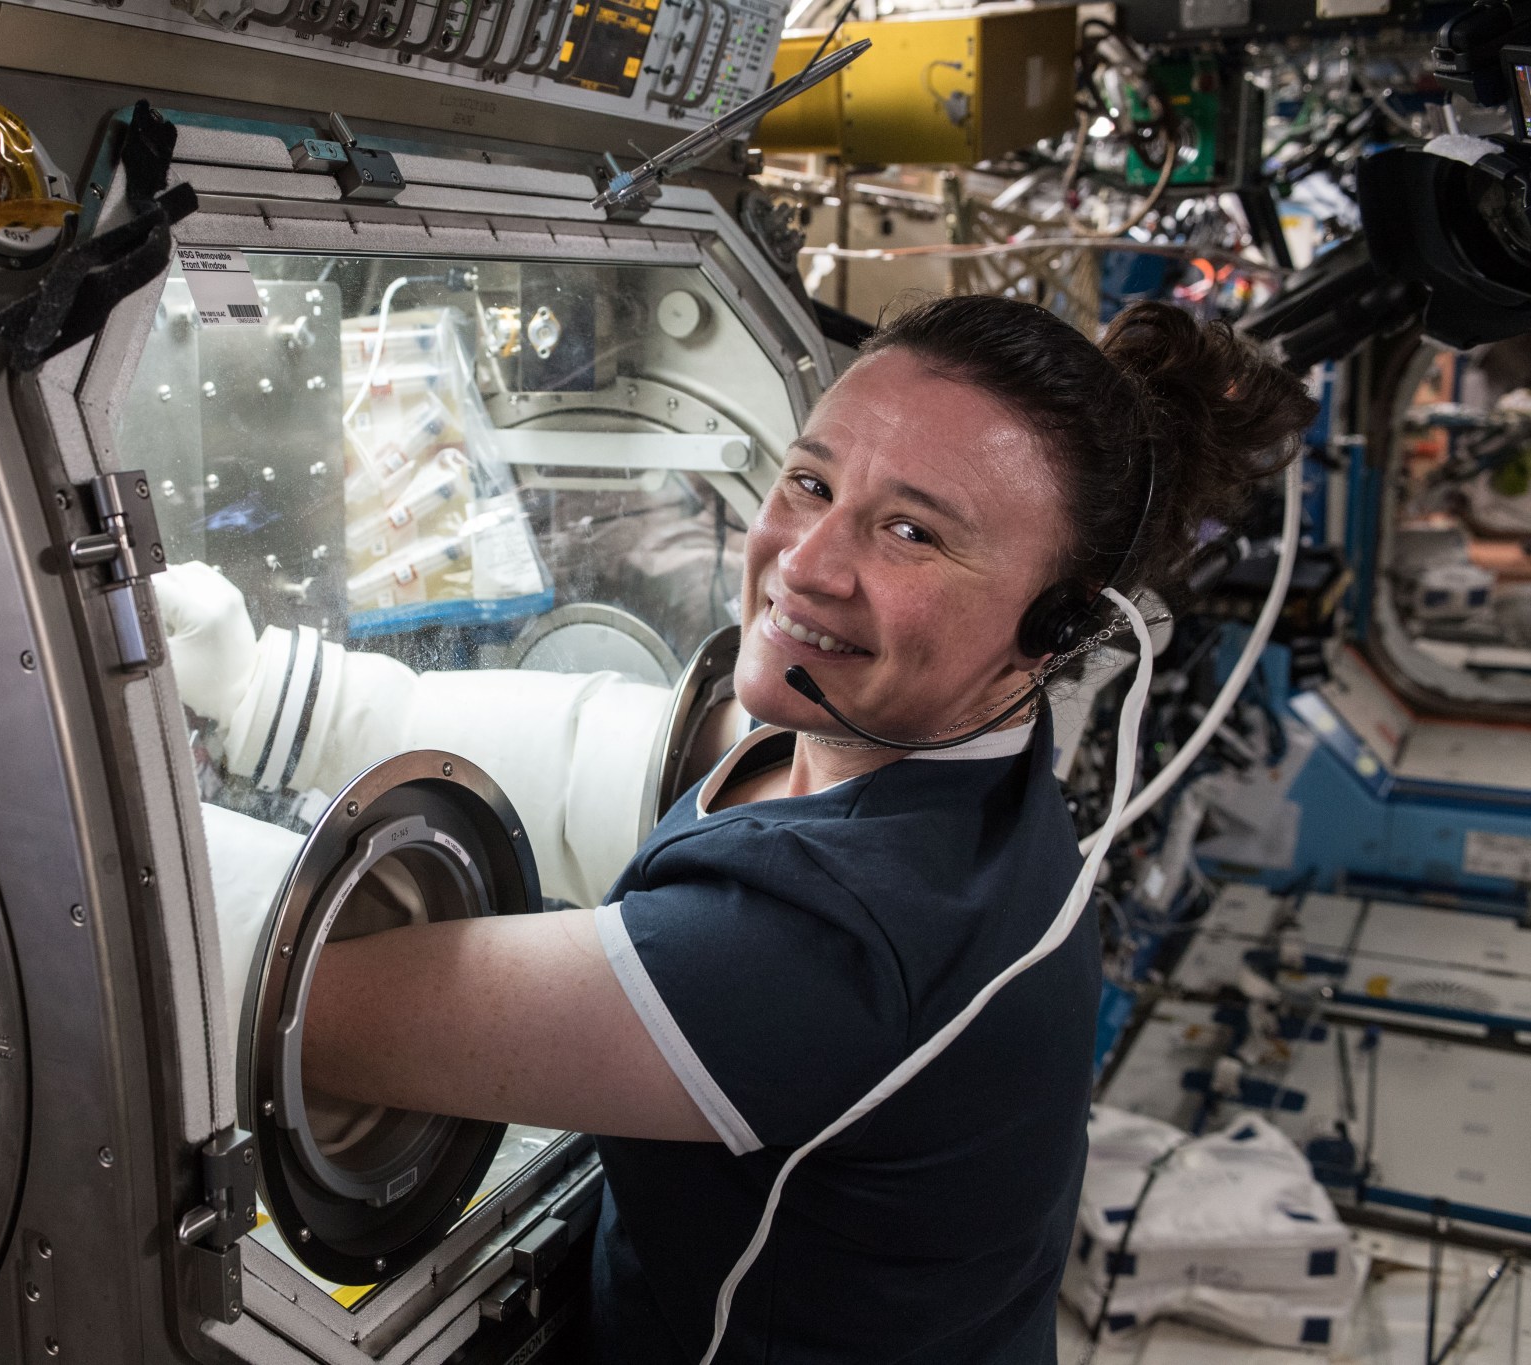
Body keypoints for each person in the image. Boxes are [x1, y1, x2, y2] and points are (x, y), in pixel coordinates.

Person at [295, 295, 1317, 1363]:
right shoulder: (938, 758)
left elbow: (303, 1019)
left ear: (1056, 630)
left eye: (910, 533)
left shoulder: (829, 945)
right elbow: (619, 754)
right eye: (811, 482)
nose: (805, 563)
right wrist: (283, 697)